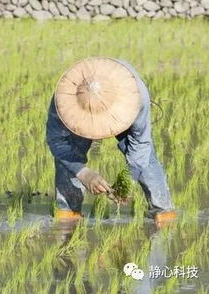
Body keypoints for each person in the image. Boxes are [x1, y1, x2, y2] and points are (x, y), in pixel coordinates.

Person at [46, 57, 176, 225]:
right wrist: (84, 173)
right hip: (78, 115)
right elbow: (57, 142)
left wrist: (127, 181)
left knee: (145, 157)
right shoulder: (63, 102)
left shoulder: (136, 97)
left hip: (124, 111)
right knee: (68, 151)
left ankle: (163, 212)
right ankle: (68, 213)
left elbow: (140, 145)